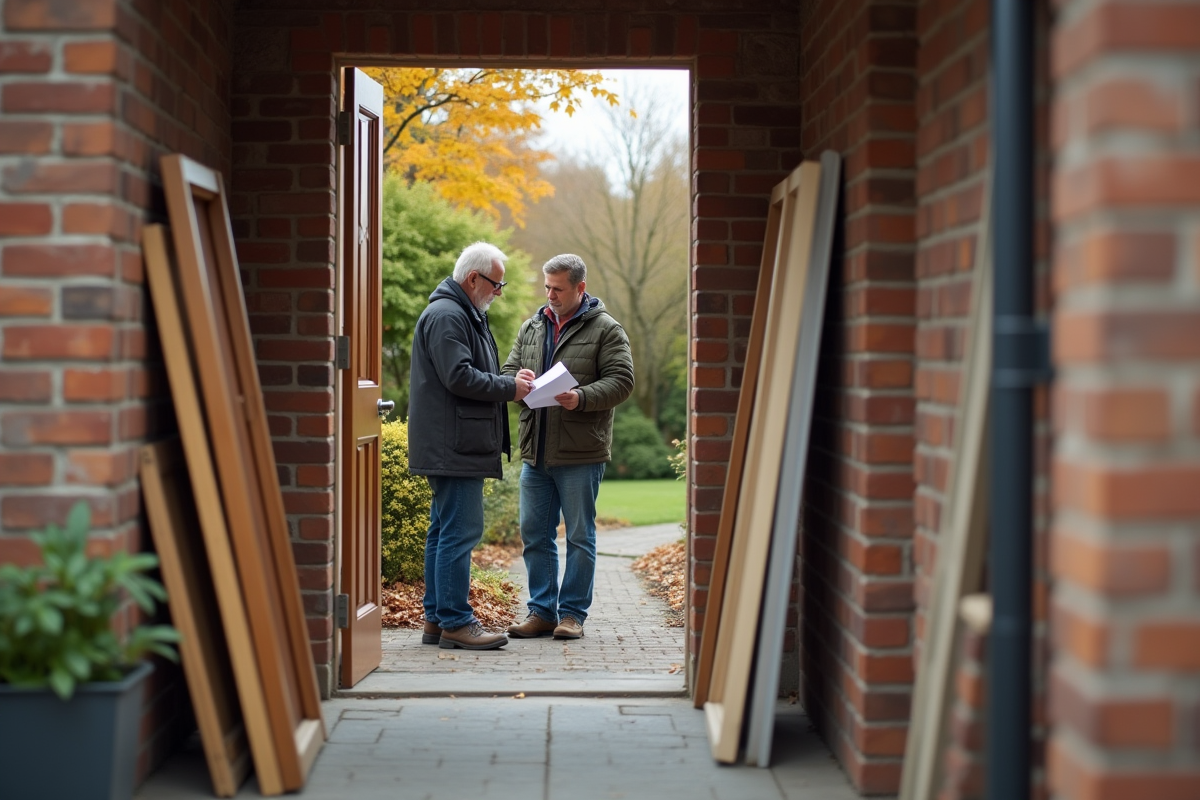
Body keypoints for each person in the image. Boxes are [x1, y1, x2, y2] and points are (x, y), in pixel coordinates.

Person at [408, 241, 536, 650]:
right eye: (496, 285)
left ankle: (437, 620)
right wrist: (510, 388)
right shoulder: (449, 315)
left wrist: (512, 381)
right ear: (472, 278)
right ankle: (456, 622)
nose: (499, 293)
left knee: (444, 532)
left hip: (453, 442)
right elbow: (459, 377)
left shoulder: (460, 312)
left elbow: (469, 372)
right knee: (460, 533)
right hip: (455, 445)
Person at [501, 254, 634, 640]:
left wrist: (582, 397)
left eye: (558, 289)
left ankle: (572, 614)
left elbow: (622, 381)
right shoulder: (531, 327)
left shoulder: (607, 329)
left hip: (581, 453)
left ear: (580, 288)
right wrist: (519, 379)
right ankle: (542, 611)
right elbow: (507, 372)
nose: (550, 295)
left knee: (579, 536)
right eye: (547, 287)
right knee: (534, 535)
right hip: (536, 451)